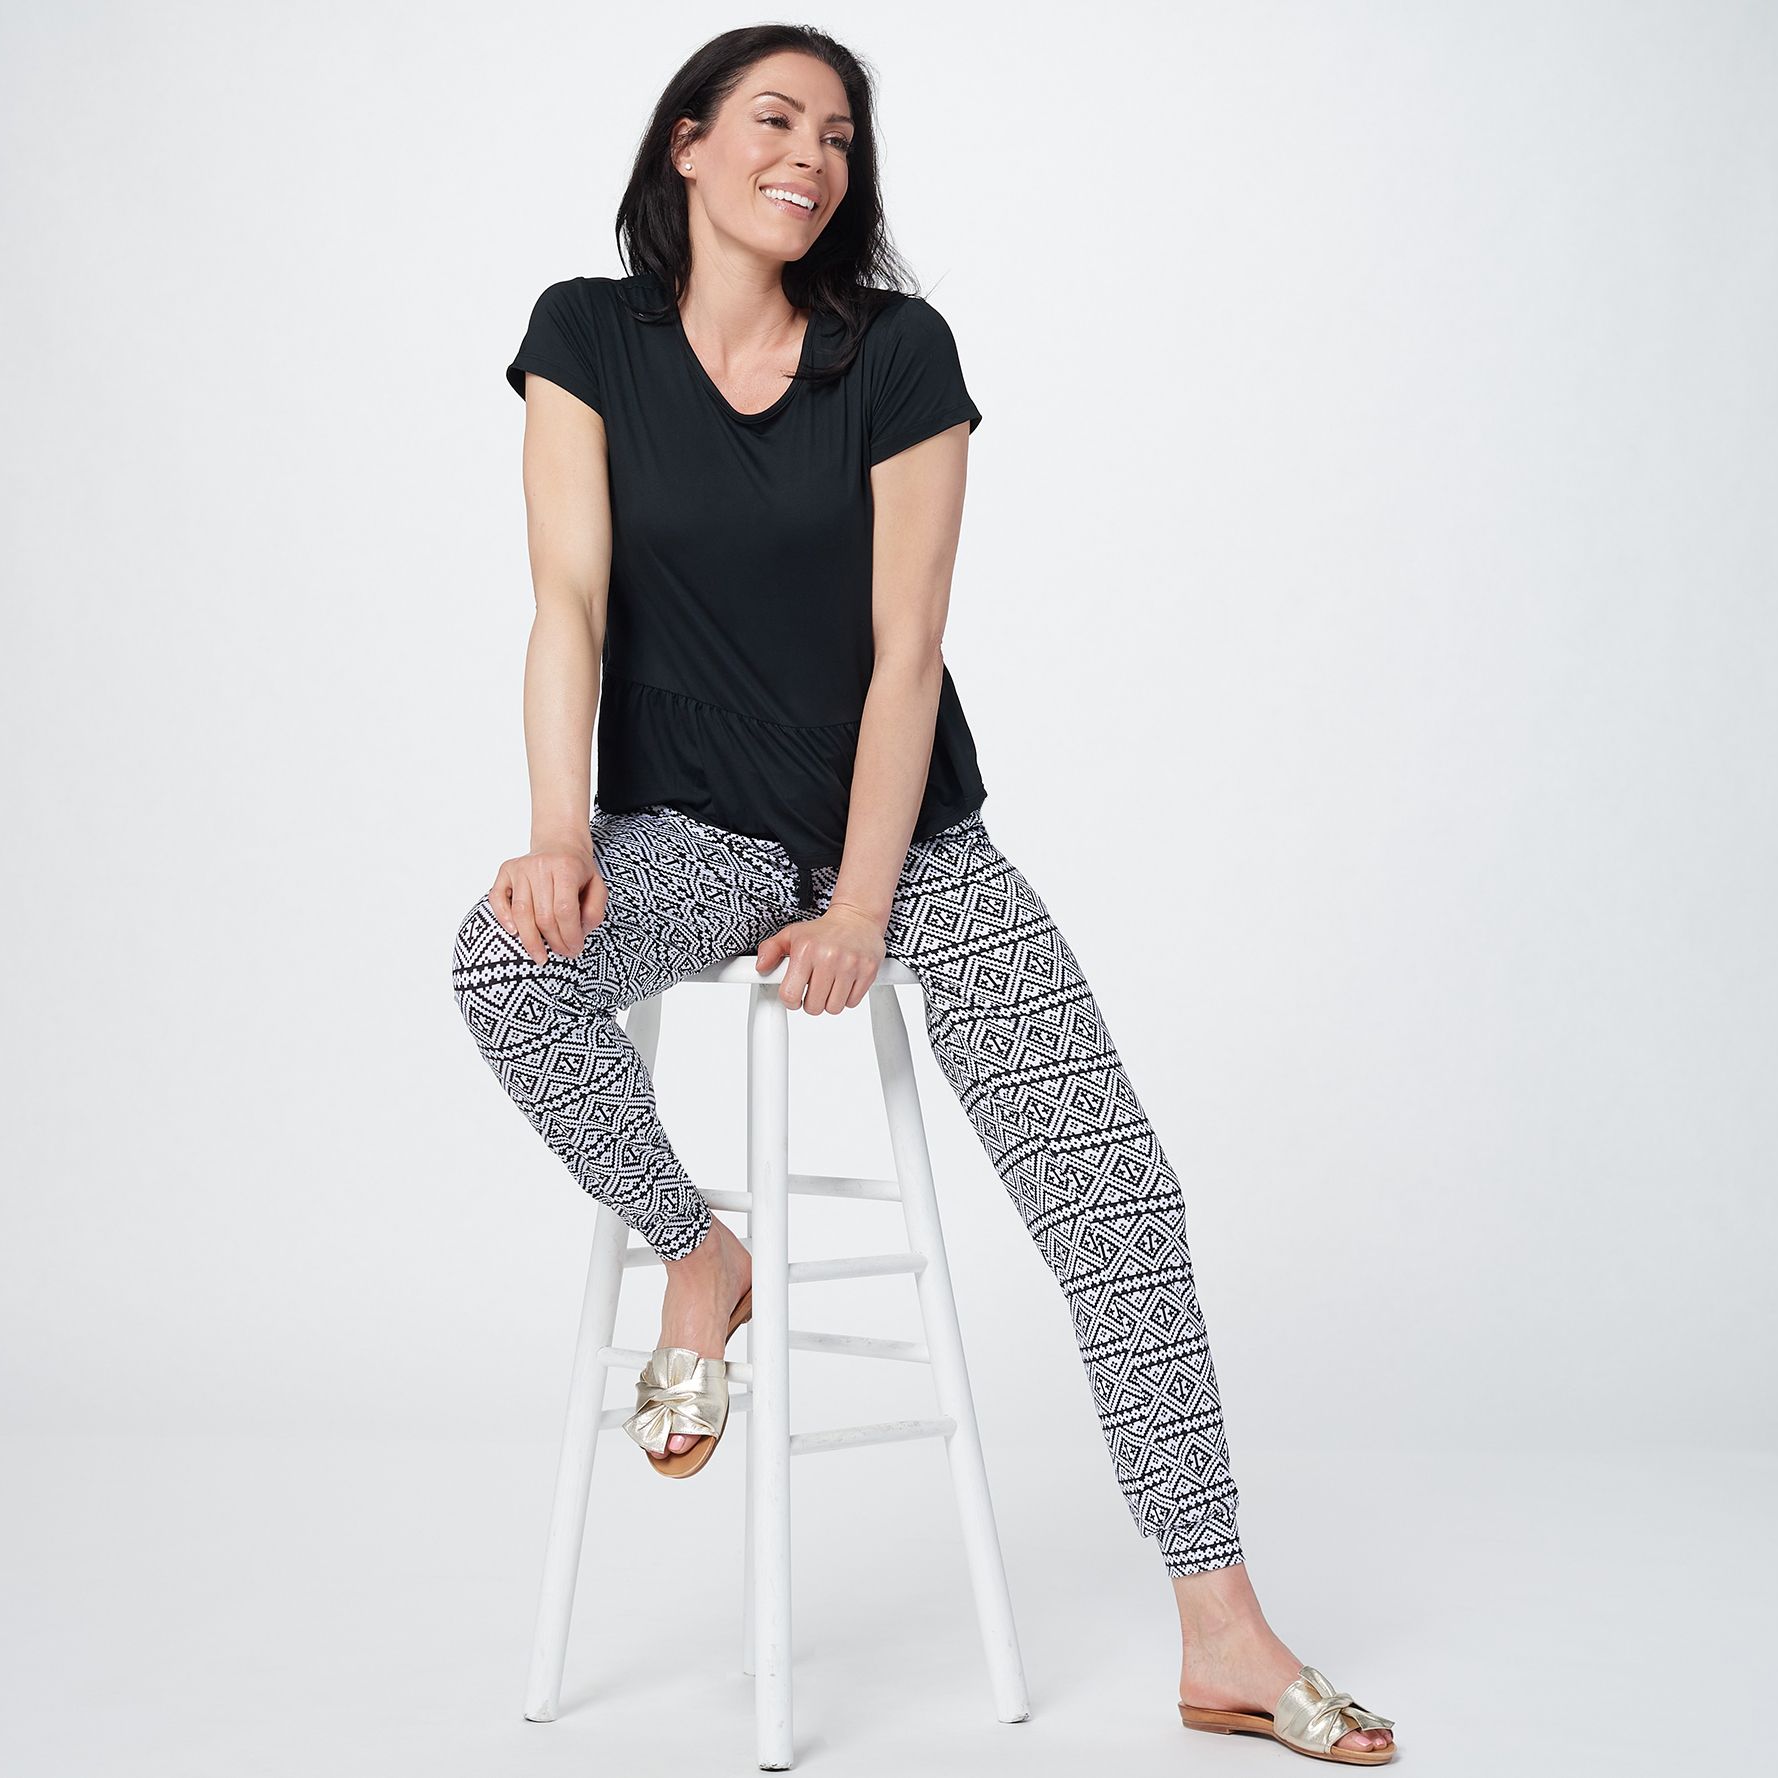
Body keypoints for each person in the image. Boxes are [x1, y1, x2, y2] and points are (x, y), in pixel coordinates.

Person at [449, 24, 1398, 1766]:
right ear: (686, 144)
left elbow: (909, 652)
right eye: (774, 119)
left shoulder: (896, 353)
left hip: (907, 840)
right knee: (502, 966)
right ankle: (701, 1253)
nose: (809, 157)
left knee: (1118, 1191)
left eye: (838, 134)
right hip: (692, 832)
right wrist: (557, 828)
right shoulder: (585, 336)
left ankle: (1221, 1626)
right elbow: (566, 601)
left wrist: (868, 905)